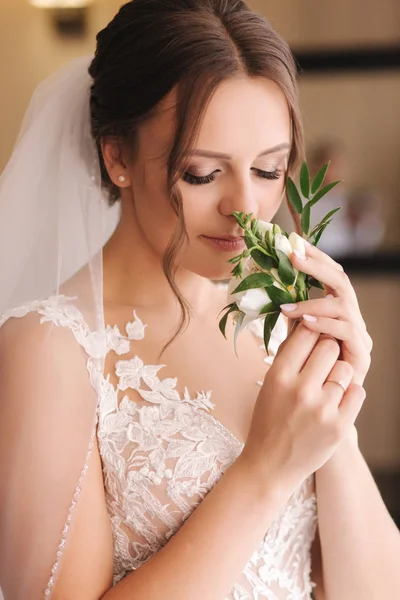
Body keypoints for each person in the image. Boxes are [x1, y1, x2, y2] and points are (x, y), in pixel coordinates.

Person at [0, 2, 398, 599]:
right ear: (118, 157)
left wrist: (337, 410)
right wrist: (266, 471)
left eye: (268, 170)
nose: (245, 207)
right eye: (202, 174)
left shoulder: (270, 323)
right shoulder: (51, 347)